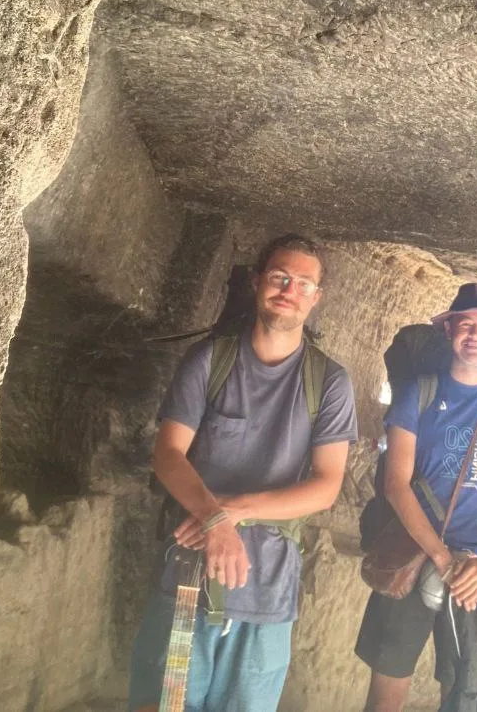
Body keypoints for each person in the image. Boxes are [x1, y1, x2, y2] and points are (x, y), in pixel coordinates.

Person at [128, 234, 358, 712]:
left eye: (303, 283)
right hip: (189, 579)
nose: (289, 290)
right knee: (165, 703)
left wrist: (225, 514)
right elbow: (169, 454)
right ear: (257, 282)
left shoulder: (330, 383)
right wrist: (214, 522)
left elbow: (325, 486)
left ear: (316, 298)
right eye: (279, 277)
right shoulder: (210, 361)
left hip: (268, 589)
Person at [355, 283, 477, 712]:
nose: (476, 334)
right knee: (388, 685)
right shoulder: (418, 393)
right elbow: (396, 485)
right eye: (467, 324)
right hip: (412, 552)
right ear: (449, 330)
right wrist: (442, 557)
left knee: (461, 691)